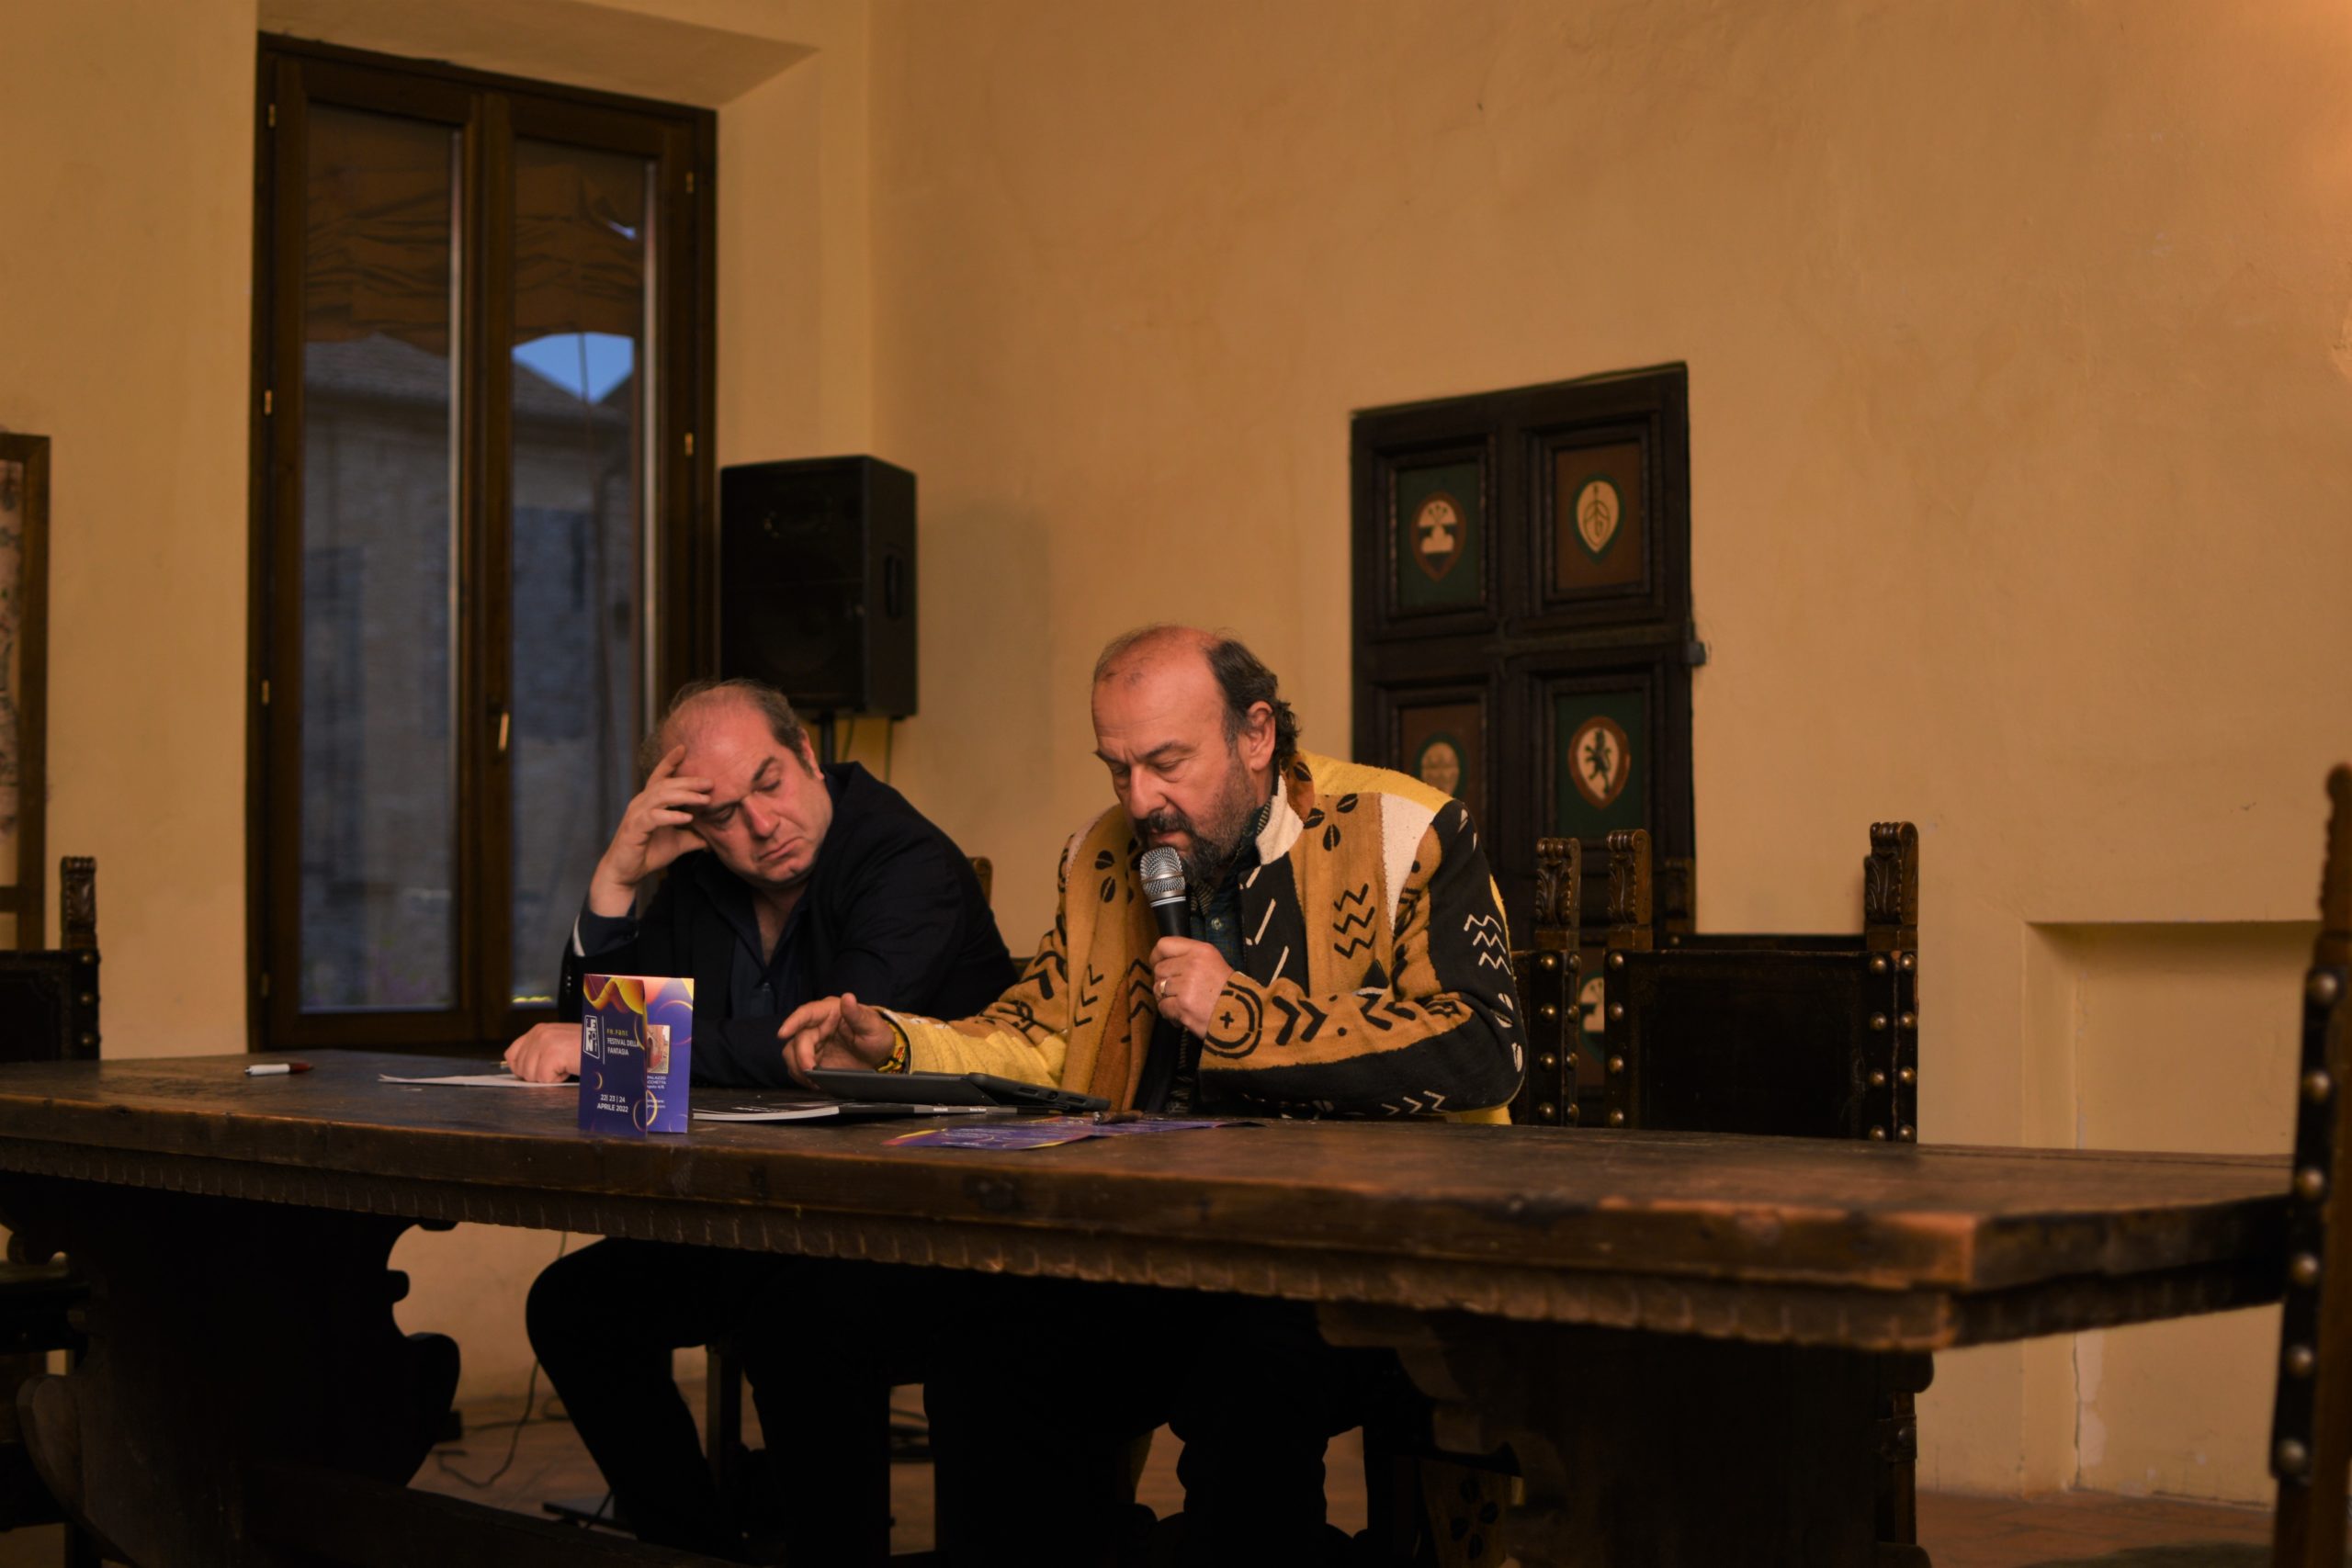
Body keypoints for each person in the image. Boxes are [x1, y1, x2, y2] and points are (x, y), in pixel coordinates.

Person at [777, 626, 1524, 1565]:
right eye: (1117, 768)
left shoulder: (1406, 829)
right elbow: (1039, 1038)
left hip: (1358, 1263)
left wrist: (1240, 1014)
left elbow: (1481, 1046)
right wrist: (891, 1042)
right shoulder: (1101, 857)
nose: (1140, 801)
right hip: (1155, 1253)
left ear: (1257, 735)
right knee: (986, 1353)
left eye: (1167, 764)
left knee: (1250, 1375)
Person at [506, 677, 1014, 1562]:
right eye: (723, 815)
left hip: (930, 1226)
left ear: (808, 753)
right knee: (573, 1306)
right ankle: (696, 1546)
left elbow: (830, 1047)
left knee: (800, 1323)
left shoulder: (906, 860)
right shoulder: (700, 880)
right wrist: (618, 876)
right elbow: (598, 1049)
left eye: (770, 783)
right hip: (772, 1220)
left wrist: (630, 1041)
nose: (761, 825)